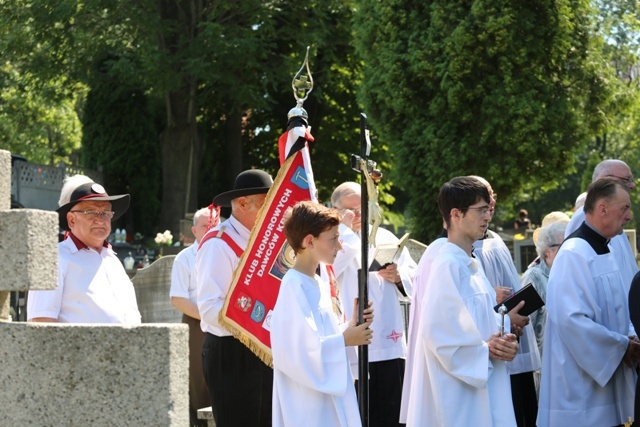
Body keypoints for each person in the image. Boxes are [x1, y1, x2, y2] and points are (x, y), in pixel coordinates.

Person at [406, 176, 519, 426]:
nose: (488, 217)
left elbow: (483, 322)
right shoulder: (447, 265)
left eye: (488, 210)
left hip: (485, 382)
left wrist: (506, 339)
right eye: (480, 211)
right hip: (460, 393)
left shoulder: (470, 264)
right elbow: (439, 335)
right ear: (456, 215)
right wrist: (486, 350)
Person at [537, 178, 639, 427]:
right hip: (581, 389)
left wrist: (630, 336)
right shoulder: (574, 254)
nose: (629, 216)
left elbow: (617, 310)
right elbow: (573, 322)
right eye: (624, 208)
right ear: (602, 208)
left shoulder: (607, 250)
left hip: (608, 379)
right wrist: (622, 347)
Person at [271, 201, 373, 427]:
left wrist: (351, 326)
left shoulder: (316, 282)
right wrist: (346, 339)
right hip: (308, 402)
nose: (340, 247)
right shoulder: (293, 286)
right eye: (333, 239)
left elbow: (322, 336)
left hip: (327, 396)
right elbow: (296, 353)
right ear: (309, 241)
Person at [331, 181, 417, 427]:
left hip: (389, 339)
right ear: (335, 210)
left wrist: (399, 276)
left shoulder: (384, 235)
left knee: (392, 412)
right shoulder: (332, 239)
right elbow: (328, 270)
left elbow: (414, 275)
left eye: (362, 209)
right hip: (354, 341)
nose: (358, 215)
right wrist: (343, 230)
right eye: (350, 210)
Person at [196, 169, 274, 427]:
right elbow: (209, 309)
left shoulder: (261, 240)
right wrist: (256, 326)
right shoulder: (219, 243)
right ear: (242, 204)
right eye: (266, 204)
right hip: (231, 352)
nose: (273, 212)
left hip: (262, 348)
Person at [470, 176, 540, 427]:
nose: (490, 203)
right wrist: (494, 301)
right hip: (490, 340)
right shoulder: (453, 247)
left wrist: (517, 311)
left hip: (512, 331)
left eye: (492, 196)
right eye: (484, 198)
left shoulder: (495, 239)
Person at [27, 175, 141, 324]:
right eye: (91, 212)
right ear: (71, 220)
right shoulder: (50, 259)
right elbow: (41, 322)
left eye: (106, 213)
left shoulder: (112, 259)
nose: (100, 220)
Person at [170, 206, 219, 426]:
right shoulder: (185, 258)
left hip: (227, 324)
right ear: (194, 231)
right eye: (205, 225)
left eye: (215, 224)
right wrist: (209, 316)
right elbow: (178, 299)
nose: (211, 228)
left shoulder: (226, 252)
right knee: (199, 381)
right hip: (197, 321)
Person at [565, 159, 638, 291]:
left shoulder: (615, 218)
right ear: (606, 180)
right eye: (627, 180)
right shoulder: (585, 216)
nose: (632, 185)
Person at [520, 213, 569, 394]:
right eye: (563, 245)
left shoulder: (568, 272)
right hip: (545, 371)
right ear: (547, 251)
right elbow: (525, 328)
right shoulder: (533, 278)